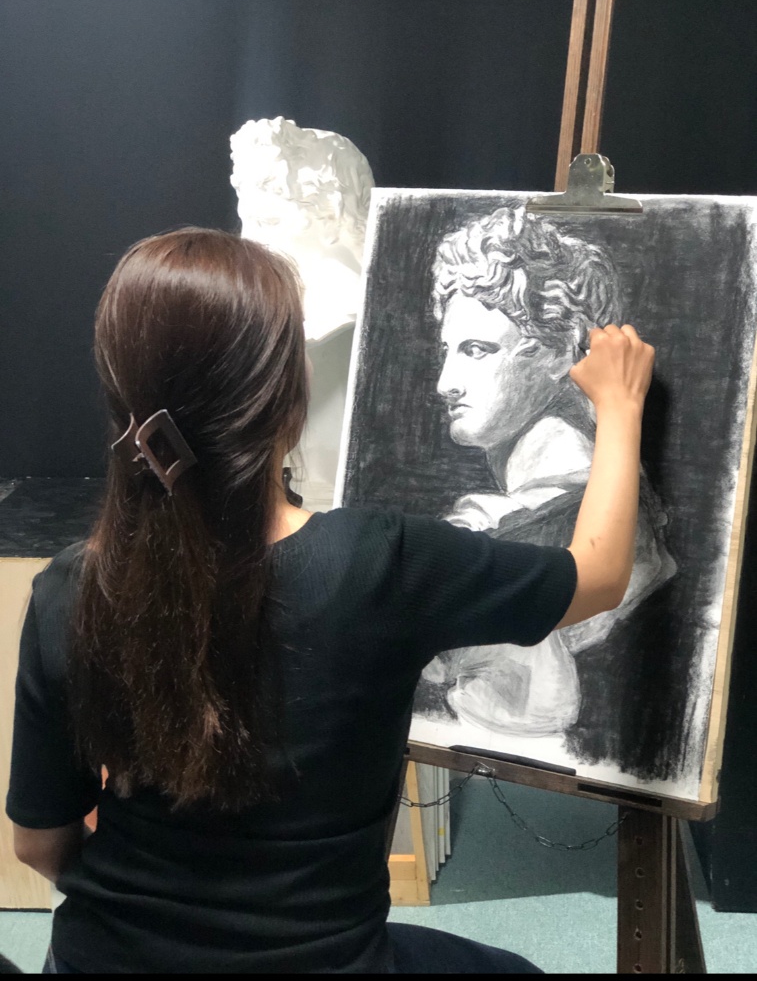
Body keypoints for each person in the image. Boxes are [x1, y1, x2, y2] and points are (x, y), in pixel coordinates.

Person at [8, 228, 654, 974]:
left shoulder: (70, 589)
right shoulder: (377, 564)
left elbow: (41, 845)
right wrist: (619, 405)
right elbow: (598, 576)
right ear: (287, 396)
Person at [420, 208, 676, 736]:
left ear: (561, 352)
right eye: (448, 350)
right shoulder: (589, 496)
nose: (445, 382)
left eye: (475, 350)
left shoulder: (515, 531)